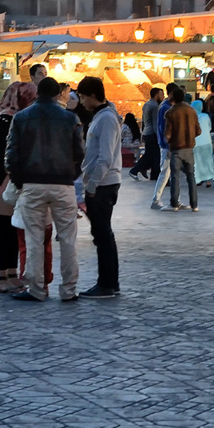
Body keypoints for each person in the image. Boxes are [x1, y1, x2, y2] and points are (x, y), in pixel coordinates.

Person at [7, 76, 85, 302]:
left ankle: (37, 288)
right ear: (57, 94)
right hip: (63, 184)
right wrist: (71, 174)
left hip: (32, 184)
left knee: (34, 238)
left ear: (37, 93)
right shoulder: (70, 118)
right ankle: (69, 289)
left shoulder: (21, 118)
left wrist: (20, 181)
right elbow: (79, 153)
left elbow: (11, 154)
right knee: (68, 238)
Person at [0, 81, 52, 294]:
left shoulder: (18, 116)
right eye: (31, 99)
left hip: (13, 177)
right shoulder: (7, 117)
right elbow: (1, 155)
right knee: (2, 229)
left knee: (14, 229)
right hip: (3, 178)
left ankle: (12, 274)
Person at [76, 76, 123, 298]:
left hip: (103, 184)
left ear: (93, 95)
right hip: (101, 182)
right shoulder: (102, 116)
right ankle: (109, 282)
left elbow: (105, 156)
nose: (82, 102)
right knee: (102, 234)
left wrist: (92, 185)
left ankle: (106, 283)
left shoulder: (106, 119)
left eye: (83, 97)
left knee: (102, 235)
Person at [164, 88, 201, 212]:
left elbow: (168, 134)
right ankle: (194, 205)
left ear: (173, 98)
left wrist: (169, 144)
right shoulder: (192, 111)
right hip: (189, 148)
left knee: (175, 177)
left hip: (176, 149)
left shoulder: (170, 113)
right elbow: (198, 131)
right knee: (191, 176)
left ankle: (174, 204)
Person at [151, 83, 179, 210]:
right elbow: (164, 129)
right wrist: (168, 145)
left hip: (169, 145)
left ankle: (175, 199)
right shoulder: (166, 108)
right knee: (166, 172)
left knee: (172, 172)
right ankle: (156, 199)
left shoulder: (168, 107)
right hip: (167, 146)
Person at [129, 88, 162, 181]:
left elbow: (144, 120)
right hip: (152, 133)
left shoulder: (146, 104)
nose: (162, 96)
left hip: (146, 132)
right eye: (161, 94)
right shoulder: (155, 106)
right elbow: (155, 122)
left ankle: (151, 173)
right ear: (156, 94)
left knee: (152, 154)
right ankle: (135, 170)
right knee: (151, 154)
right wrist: (159, 135)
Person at [190, 99, 214, 188]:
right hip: (207, 142)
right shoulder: (205, 116)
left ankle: (198, 179)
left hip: (196, 143)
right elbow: (209, 128)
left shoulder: (191, 117)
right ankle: (208, 181)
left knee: (197, 162)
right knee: (208, 161)